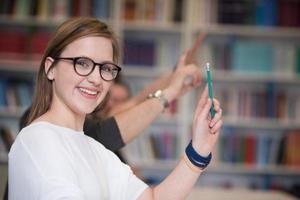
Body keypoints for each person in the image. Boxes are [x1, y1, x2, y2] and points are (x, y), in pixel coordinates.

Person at [9, 17, 222, 199]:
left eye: (106, 68)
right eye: (82, 63)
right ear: (51, 68)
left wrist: (199, 150)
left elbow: (153, 198)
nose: (95, 78)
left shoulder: (95, 149)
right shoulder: (38, 139)